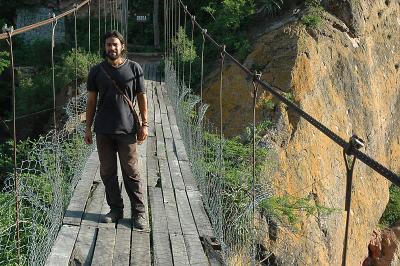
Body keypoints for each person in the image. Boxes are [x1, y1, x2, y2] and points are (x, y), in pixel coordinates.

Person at [84, 30, 148, 229]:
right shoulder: (96, 71)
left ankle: (139, 213)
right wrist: (88, 128)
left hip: (127, 129)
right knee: (108, 172)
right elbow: (91, 101)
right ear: (105, 47)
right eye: (108, 45)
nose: (111, 48)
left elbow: (141, 97)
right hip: (103, 130)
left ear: (122, 46)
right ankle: (116, 209)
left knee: (131, 172)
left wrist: (144, 124)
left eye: (115, 44)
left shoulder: (134, 68)